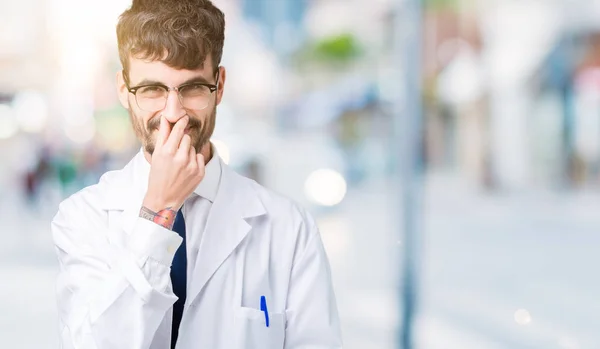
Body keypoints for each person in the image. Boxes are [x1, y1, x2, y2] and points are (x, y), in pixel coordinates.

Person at [50, 0, 342, 348]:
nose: (173, 113)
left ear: (219, 84)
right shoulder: (83, 218)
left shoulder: (289, 228)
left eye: (191, 88)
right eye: (152, 90)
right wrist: (158, 212)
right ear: (123, 90)